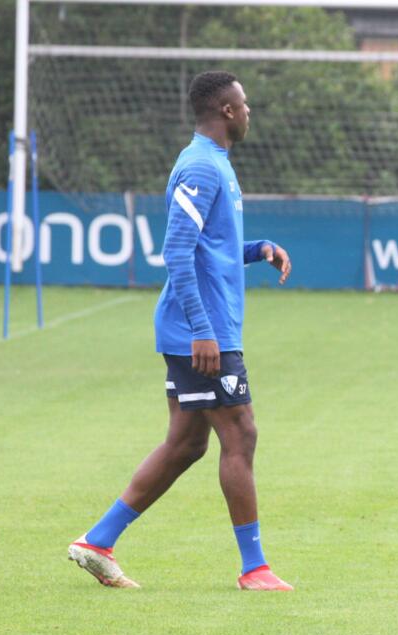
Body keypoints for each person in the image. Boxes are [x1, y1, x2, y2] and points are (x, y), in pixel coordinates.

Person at [68, 71, 294, 591]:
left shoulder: (215, 163)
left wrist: (258, 250)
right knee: (241, 432)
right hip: (202, 332)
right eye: (245, 103)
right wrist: (202, 329)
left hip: (206, 327)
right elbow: (175, 251)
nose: (250, 110)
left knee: (187, 443)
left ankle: (97, 541)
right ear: (227, 111)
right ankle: (254, 568)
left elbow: (210, 250)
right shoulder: (199, 165)